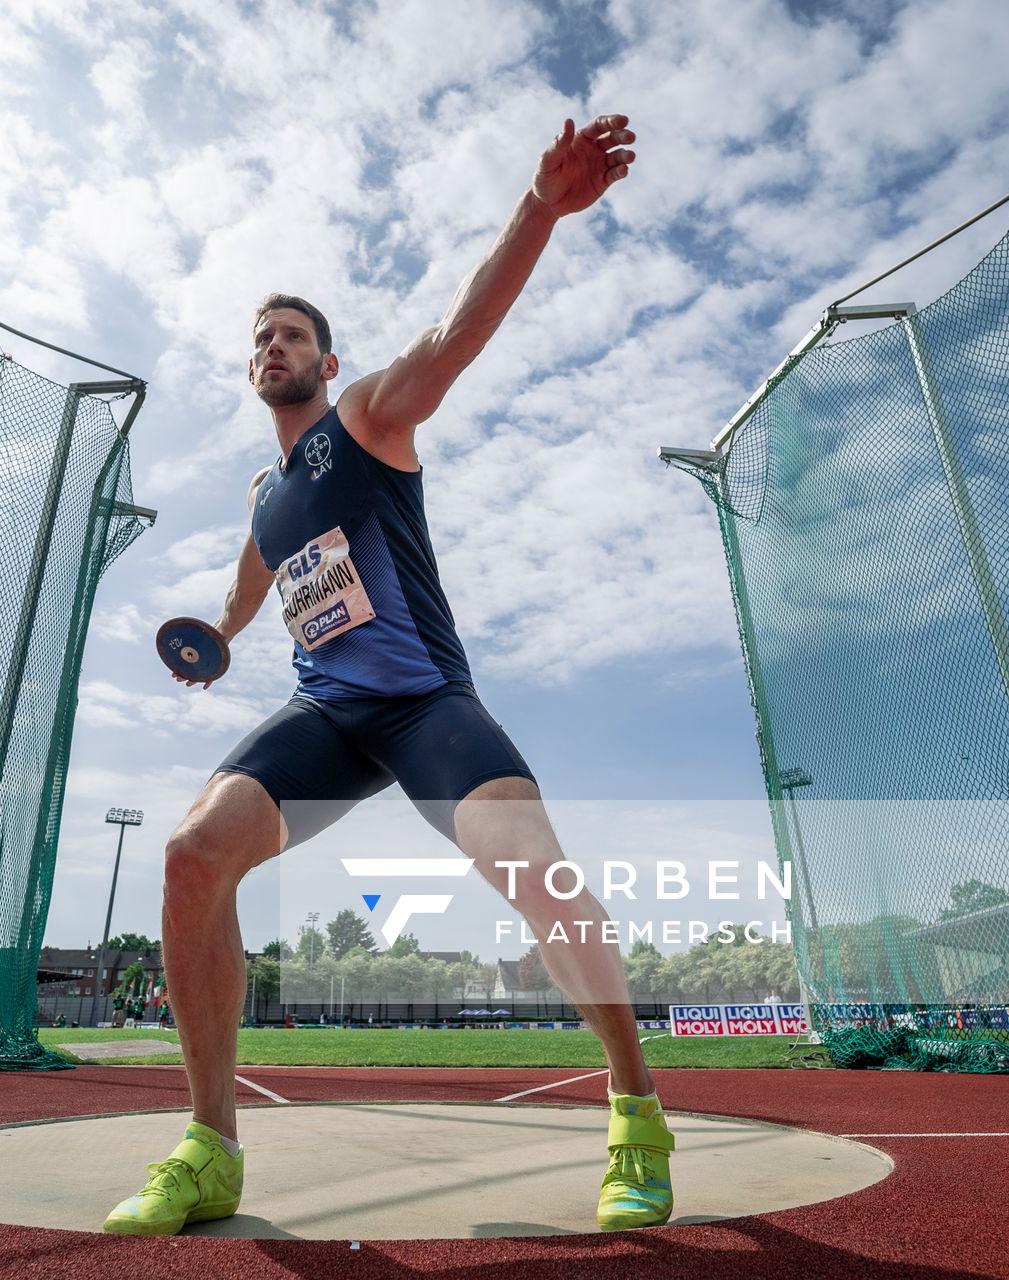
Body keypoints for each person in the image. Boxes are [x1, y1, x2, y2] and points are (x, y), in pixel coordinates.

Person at [104, 115, 672, 1237]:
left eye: (292, 335)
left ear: (324, 354)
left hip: (424, 706)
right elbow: (244, 597)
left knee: (537, 876)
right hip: (327, 717)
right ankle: (210, 1149)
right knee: (187, 856)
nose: (273, 347)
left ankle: (637, 1111)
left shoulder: (366, 419)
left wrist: (539, 207)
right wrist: (211, 644)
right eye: (260, 337)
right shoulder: (266, 503)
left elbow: (455, 337)